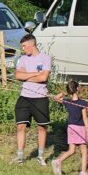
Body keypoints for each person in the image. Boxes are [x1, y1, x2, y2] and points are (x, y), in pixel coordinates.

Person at [13, 34, 52, 166]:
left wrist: (27, 77)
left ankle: (40, 156)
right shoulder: (23, 59)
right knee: (21, 126)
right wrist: (35, 73)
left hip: (40, 97)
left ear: (31, 45)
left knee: (42, 128)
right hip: (25, 97)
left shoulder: (46, 58)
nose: (23, 49)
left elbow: (43, 78)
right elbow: (18, 75)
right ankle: (19, 157)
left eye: (24, 46)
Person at [51, 80, 88, 175]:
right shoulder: (83, 103)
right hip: (80, 128)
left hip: (71, 127)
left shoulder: (67, 101)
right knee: (84, 151)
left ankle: (58, 161)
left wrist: (65, 92)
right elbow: (85, 118)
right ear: (77, 89)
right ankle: (83, 172)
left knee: (72, 150)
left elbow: (56, 98)